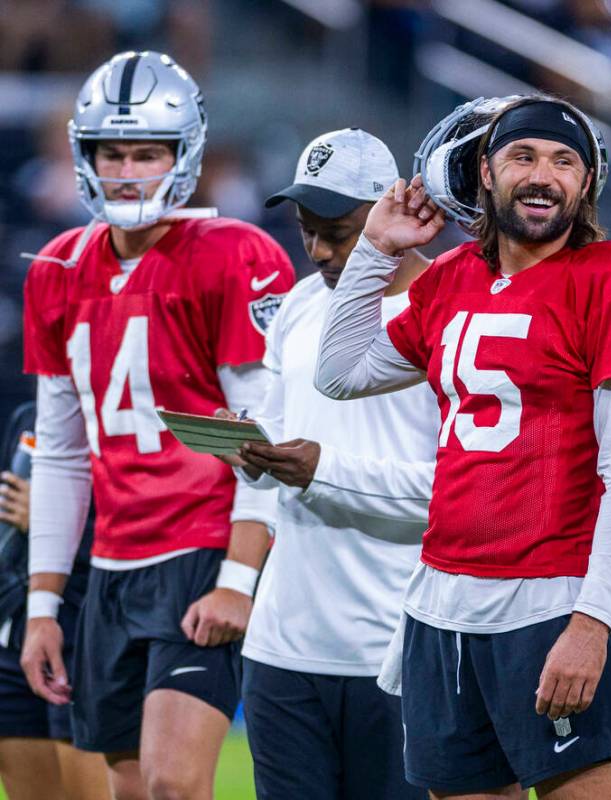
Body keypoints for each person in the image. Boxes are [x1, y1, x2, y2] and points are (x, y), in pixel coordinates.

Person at [315, 95, 611, 798]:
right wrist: (376, 248)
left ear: (588, 182)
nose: (543, 176)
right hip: (439, 602)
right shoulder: (453, 278)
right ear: (485, 172)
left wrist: (593, 621)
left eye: (563, 161)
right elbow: (339, 373)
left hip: (550, 598)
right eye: (523, 157)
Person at [20, 51, 293, 800]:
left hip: (200, 549)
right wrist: (45, 604)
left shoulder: (233, 253)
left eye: (149, 153)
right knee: (133, 790)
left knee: (176, 785)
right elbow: (63, 455)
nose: (130, 170)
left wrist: (238, 577)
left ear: (185, 157)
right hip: (110, 565)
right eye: (114, 152)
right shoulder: (56, 266)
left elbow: (261, 435)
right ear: (86, 156)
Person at [226, 128, 434, 800]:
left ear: (390, 211)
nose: (317, 251)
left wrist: (323, 469)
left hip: (399, 652)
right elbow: (282, 449)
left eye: (337, 232)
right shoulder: (299, 305)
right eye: (305, 229)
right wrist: (249, 451)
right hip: (281, 649)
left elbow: (463, 495)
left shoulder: (452, 312)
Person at [0, 403, 109, 800]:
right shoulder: (27, 416)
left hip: (86, 629)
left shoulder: (119, 422)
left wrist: (50, 522)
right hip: (17, 631)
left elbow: (140, 533)